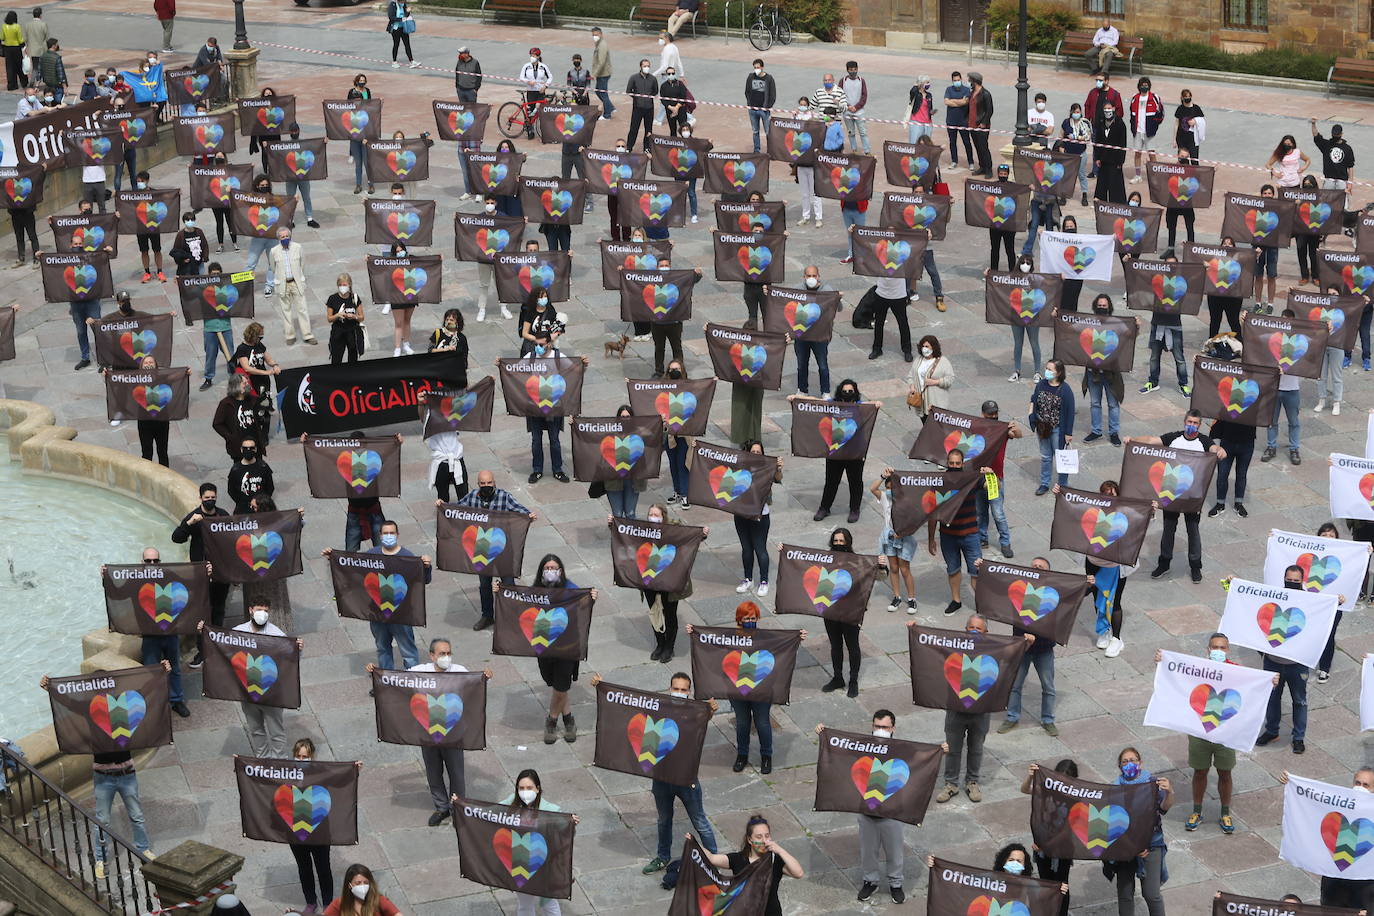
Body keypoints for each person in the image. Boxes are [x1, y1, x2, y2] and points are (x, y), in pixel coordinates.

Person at [591, 670, 718, 877]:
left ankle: (714, 860)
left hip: (686, 778)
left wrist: (711, 711)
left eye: (683, 690)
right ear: (669, 689)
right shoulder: (659, 708)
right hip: (661, 777)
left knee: (699, 821)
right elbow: (628, 704)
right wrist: (602, 688)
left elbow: (705, 719)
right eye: (676, 689)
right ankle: (662, 856)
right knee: (663, 819)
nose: (679, 693)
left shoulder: (695, 711)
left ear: (689, 692)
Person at [40, 667, 165, 877]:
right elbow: (67, 701)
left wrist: (162, 672)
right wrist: (49, 688)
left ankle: (143, 848)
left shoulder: (123, 705)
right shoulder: (90, 708)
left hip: (126, 774)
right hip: (104, 777)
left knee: (136, 816)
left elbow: (145, 691)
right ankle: (100, 858)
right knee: (102, 821)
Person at [932, 615, 1026, 803]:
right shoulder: (954, 646)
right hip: (955, 709)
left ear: (986, 632)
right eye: (970, 627)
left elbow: (1012, 654)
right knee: (953, 749)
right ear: (965, 629)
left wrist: (1027, 643)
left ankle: (972, 782)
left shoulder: (993, 649)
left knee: (976, 748)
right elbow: (931, 647)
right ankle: (951, 784)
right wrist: (914, 630)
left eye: (978, 628)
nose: (973, 631)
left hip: (981, 711)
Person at [686, 601, 787, 773]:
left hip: (762, 689)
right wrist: (694, 632)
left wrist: (798, 636)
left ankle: (766, 756)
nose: (750, 621)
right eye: (746, 618)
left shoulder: (765, 638)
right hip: (737, 688)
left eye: (753, 618)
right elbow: (711, 645)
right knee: (742, 722)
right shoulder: (728, 638)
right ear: (739, 619)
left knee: (762, 722)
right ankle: (742, 755)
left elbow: (784, 643)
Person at [1126, 411, 1225, 583]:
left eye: (1195, 422)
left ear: (1199, 425)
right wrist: (1132, 439)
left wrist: (1220, 450)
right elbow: (1150, 441)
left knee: (1193, 531)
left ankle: (1195, 566)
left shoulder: (1203, 441)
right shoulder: (1174, 438)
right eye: (1189, 421)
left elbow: (1215, 449)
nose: (1192, 425)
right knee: (1168, 529)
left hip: (1193, 496)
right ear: (1184, 421)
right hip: (1171, 493)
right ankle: (1164, 563)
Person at [452, 471, 536, 631]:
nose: (486, 486)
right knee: (484, 584)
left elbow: (519, 510)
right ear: (478, 484)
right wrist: (442, 506)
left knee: (508, 585)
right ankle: (487, 616)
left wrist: (528, 515)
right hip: (482, 550)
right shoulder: (472, 497)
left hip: (503, 549)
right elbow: (456, 509)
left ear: (494, 483)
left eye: (489, 483)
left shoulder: (504, 497)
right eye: (482, 484)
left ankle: (510, 618)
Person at [993, 555, 1067, 734]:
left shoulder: (1054, 591)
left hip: (1044, 649)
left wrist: (1087, 584)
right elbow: (996, 581)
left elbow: (1075, 593)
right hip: (1021, 648)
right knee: (1014, 685)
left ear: (1048, 572)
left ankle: (1048, 720)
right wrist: (982, 568)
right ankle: (1012, 717)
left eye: (1041, 566)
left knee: (1048, 687)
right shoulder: (1019, 588)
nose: (1036, 568)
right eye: (1033, 565)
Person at [495, 770, 582, 915]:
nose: (525, 792)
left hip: (545, 866)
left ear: (538, 788)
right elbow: (488, 812)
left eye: (529, 788)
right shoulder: (510, 803)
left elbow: (565, 835)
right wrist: (461, 805)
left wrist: (571, 823)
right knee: (524, 905)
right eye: (521, 788)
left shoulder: (551, 811)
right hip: (520, 864)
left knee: (549, 904)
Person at [223, 602, 300, 758]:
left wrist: (298, 649)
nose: (263, 613)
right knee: (255, 730)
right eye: (259, 610)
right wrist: (203, 633)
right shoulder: (238, 632)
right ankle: (262, 761)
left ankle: (280, 763)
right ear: (251, 610)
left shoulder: (276, 634)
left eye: (266, 610)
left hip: (271, 694)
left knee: (276, 732)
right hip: (247, 692)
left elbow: (290, 660)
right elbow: (220, 645)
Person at [123, 547, 192, 717]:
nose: (152, 564)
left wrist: (206, 572)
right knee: (151, 671)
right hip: (149, 635)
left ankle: (176, 700)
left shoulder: (169, 575)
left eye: (155, 561)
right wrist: (106, 578)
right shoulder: (134, 580)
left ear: (160, 562)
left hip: (171, 632)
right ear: (142, 562)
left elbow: (190, 585)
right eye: (148, 561)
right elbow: (118, 593)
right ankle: (154, 702)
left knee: (175, 668)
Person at [1250, 563, 1311, 755]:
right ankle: (1271, 731)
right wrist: (1232, 585)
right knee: (1272, 697)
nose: (1291, 583)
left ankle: (1298, 738)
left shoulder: (1311, 602)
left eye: (1296, 581)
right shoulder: (1273, 598)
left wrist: (1340, 601)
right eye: (1289, 580)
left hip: (1297, 664)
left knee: (1299, 701)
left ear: (1302, 581)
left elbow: (1327, 616)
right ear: (1283, 579)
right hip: (1273, 661)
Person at [802, 380, 878, 523]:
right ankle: (824, 508)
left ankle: (854, 509)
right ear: (839, 391)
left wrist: (877, 404)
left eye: (851, 391)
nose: (848, 394)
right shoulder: (832, 403)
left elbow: (872, 405)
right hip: (835, 451)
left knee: (855, 481)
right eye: (845, 391)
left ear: (855, 392)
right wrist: (795, 399)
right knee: (831, 481)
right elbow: (814, 402)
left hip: (855, 452)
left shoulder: (859, 406)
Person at [1110, 746, 1173, 914]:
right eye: (1125, 761)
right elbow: (1112, 824)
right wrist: (1131, 848)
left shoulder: (1152, 784)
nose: (1129, 764)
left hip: (1151, 844)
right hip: (1124, 848)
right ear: (1120, 766)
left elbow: (1163, 808)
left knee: (1152, 895)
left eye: (1133, 760)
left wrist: (1169, 792)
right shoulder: (1114, 789)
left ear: (1140, 763)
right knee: (1124, 895)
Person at [698, 815, 804, 916]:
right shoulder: (738, 859)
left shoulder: (774, 860)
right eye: (759, 837)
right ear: (750, 840)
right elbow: (711, 858)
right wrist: (694, 844)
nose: (764, 841)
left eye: (767, 836)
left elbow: (798, 873)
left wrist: (780, 850)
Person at [174, 484, 232, 666]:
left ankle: (217, 648)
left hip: (221, 574)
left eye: (212, 497)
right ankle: (203, 651)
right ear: (201, 499)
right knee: (201, 614)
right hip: (200, 576)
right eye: (206, 498)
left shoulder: (223, 515)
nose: (210, 500)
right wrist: (189, 524)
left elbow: (233, 539)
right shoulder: (194, 517)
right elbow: (176, 537)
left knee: (218, 611)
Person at [818, 527, 875, 694]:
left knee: (852, 646)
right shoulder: (826, 559)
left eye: (841, 541)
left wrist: (881, 567)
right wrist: (785, 552)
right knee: (835, 645)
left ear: (848, 542)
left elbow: (877, 576)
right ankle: (837, 678)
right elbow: (804, 565)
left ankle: (853, 680)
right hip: (831, 610)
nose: (838, 544)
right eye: (835, 541)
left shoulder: (858, 561)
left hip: (851, 611)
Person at [929, 447, 985, 616]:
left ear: (962, 463)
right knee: (953, 569)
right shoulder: (939, 482)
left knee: (976, 572)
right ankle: (956, 600)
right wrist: (931, 538)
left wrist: (990, 475)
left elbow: (994, 490)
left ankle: (982, 604)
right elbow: (933, 512)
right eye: (951, 463)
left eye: (957, 463)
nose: (954, 466)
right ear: (947, 463)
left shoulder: (971, 479)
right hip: (948, 536)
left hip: (970, 534)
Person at [1020, 759, 1078, 912]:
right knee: (1045, 883)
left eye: (1068, 777)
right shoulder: (1046, 789)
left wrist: (1047, 846)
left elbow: (1068, 830)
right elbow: (1025, 790)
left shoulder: (1076, 799)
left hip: (1062, 851)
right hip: (1041, 850)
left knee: (1061, 885)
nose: (1063, 780)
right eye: (1060, 776)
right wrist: (1031, 776)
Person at [287, 738, 334, 913]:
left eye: (304, 756)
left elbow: (341, 778)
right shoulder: (286, 774)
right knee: (304, 867)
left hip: (319, 831)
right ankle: (311, 902)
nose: (301, 760)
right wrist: (241, 764)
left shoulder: (322, 772)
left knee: (323, 867)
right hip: (296, 832)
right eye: (298, 756)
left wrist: (354, 769)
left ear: (312, 756)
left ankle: (328, 902)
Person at [734, 440, 782, 597]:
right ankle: (748, 579)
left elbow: (778, 478)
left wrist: (778, 467)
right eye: (753, 452)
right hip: (741, 513)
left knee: (760, 548)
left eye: (758, 452)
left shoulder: (767, 467)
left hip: (760, 514)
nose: (756, 454)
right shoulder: (740, 466)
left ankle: (764, 581)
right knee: (746, 549)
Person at [1139, 249, 1190, 395]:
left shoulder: (1181, 282)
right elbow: (1140, 275)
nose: (1171, 267)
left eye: (1174, 265)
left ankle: (1183, 384)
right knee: (1155, 356)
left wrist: (1204, 268)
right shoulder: (1157, 280)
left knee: (1179, 357)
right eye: (1168, 265)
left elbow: (1196, 279)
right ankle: (1152, 381)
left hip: (1175, 324)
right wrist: (1129, 263)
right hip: (1157, 322)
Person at [976, 399, 1023, 557]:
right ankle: (982, 538)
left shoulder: (1002, 429)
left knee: (997, 513)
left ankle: (1005, 542)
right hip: (978, 477)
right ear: (983, 414)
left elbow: (1018, 435)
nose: (994, 416)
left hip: (994, 478)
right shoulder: (977, 429)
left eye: (995, 413)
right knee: (980, 511)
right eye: (990, 414)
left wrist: (1016, 428)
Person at [1082, 293, 1130, 445]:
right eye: (1099, 305)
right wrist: (1057, 316)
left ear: (1109, 307)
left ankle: (1113, 432)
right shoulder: (1088, 322)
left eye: (1104, 305)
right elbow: (1069, 328)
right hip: (1093, 371)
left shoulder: (1116, 323)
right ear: (1095, 306)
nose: (1102, 307)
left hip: (1111, 372)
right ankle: (1096, 431)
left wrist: (1136, 325)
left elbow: (1129, 335)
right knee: (1095, 403)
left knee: (1112, 404)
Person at [872, 468, 919, 618]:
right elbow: (873, 488)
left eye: (893, 488)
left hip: (904, 537)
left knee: (904, 569)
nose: (889, 490)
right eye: (888, 487)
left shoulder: (907, 501)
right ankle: (897, 597)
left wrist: (903, 532)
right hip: (889, 537)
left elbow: (914, 521)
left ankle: (912, 599)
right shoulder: (885, 498)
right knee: (893, 567)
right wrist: (883, 476)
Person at [1263, 309, 1304, 466]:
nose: (1284, 324)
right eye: (1282, 320)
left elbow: (1318, 340)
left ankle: (1294, 448)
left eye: (1287, 321)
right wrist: (1244, 320)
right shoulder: (1273, 339)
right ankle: (1271, 446)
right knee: (1271, 421)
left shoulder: (1298, 341)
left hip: (1292, 388)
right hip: (1274, 388)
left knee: (1294, 421)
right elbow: (1254, 337)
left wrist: (1327, 328)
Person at [1030, 358, 1074, 496]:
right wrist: (1031, 416)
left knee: (1061, 457)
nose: (1047, 371)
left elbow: (1070, 411)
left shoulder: (1065, 389)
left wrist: (1068, 432)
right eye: (1046, 368)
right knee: (1045, 456)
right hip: (1042, 428)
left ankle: (1062, 484)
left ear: (1058, 372)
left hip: (1057, 429)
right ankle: (1044, 483)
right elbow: (1034, 399)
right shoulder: (1041, 384)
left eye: (1050, 369)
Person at [267, 226, 315, 347]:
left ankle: (307, 335)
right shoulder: (274, 251)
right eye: (282, 237)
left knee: (302, 309)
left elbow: (302, 264)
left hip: (296, 283)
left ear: (290, 236)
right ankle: (290, 336)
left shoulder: (298, 247)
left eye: (286, 236)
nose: (285, 238)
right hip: (283, 284)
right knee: (286, 311)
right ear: (279, 238)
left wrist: (300, 277)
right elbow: (273, 267)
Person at [231, 321, 280, 432]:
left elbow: (268, 359)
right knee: (253, 407)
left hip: (263, 382)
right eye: (259, 336)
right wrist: (267, 372)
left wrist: (275, 365)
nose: (261, 339)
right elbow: (247, 368)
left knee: (264, 406)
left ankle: (265, 433)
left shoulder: (259, 345)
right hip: (250, 382)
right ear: (253, 336)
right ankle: (253, 428)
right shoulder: (242, 349)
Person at [602, 404, 647, 518]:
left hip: (633, 481)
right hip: (614, 481)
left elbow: (656, 441)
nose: (625, 419)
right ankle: (616, 536)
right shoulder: (610, 435)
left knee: (630, 513)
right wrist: (574, 424)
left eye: (628, 416)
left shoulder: (639, 434)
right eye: (622, 416)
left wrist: (662, 424)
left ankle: (630, 537)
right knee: (617, 514)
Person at [1208, 414, 1255, 519]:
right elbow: (1218, 415)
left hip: (1247, 442)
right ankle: (1220, 504)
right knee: (1222, 474)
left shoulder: (1253, 402)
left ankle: (1238, 504)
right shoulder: (1227, 401)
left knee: (1241, 474)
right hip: (1227, 442)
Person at [243, 173, 279, 294]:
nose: (264, 187)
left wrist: (294, 199)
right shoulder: (252, 198)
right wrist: (230, 192)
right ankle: (244, 286)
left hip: (272, 237)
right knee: (251, 263)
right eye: (262, 185)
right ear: (257, 186)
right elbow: (240, 199)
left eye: (266, 185)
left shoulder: (273, 198)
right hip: (257, 237)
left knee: (273, 263)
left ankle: (269, 285)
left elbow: (285, 204)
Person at [1318, 284, 1351, 413]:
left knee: (1337, 376)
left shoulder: (1344, 308)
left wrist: (1363, 301)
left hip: (1337, 345)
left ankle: (1337, 402)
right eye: (1329, 294)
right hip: (1322, 346)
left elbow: (1357, 307)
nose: (1332, 296)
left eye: (1334, 294)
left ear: (1339, 296)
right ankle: (1322, 399)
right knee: (1321, 376)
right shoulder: (1322, 308)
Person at [869, 265, 913, 362]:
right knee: (879, 322)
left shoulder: (902, 255)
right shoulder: (881, 254)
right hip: (881, 293)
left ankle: (907, 350)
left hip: (898, 295)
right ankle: (877, 348)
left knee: (903, 323)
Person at [323, 863, 401, 916]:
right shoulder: (339, 904)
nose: (362, 886)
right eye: (358, 883)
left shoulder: (379, 900)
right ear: (349, 885)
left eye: (366, 882)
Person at [1128, 77, 1162, 183]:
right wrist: (1133, 127)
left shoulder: (1155, 98)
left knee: (1152, 154)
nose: (1144, 86)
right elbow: (1131, 114)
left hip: (1149, 132)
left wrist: (1154, 126)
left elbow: (1161, 114)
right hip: (1138, 131)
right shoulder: (1135, 98)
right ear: (1139, 86)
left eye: (1146, 85)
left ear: (1149, 86)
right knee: (1137, 154)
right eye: (1142, 84)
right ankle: (1138, 176)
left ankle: (1154, 176)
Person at [325, 273, 364, 365]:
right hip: (338, 332)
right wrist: (338, 315)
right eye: (340, 285)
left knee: (353, 358)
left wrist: (354, 316)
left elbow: (362, 317)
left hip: (352, 332)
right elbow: (329, 319)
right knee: (336, 358)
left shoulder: (354, 298)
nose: (342, 287)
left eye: (344, 285)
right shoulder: (332, 299)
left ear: (349, 285)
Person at [228, 435, 273, 514]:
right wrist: (242, 502)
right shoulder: (235, 469)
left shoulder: (263, 466)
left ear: (255, 449)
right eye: (245, 448)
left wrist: (262, 502)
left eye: (251, 448)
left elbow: (270, 488)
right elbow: (231, 491)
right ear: (241, 450)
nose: (248, 450)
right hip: (242, 510)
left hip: (261, 509)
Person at [1094, 99, 1127, 203]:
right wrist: (1097, 157)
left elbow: (1122, 144)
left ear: (1113, 109)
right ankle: (1100, 201)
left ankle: (1117, 202)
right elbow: (1097, 141)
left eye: (1109, 108)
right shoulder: (1100, 123)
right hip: (1103, 159)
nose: (1107, 111)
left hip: (1114, 160)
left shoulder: (1120, 124)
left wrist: (1120, 161)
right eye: (1105, 109)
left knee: (1115, 183)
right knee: (1102, 182)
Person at [1060, 102, 1092, 207]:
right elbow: (1061, 135)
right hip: (1068, 154)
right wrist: (1061, 146)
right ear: (1071, 112)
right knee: (1066, 175)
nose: (1076, 113)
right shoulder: (1066, 122)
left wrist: (1077, 137)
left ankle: (1084, 195)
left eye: (1078, 112)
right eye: (1074, 112)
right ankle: (1063, 195)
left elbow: (1088, 137)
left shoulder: (1085, 123)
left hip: (1081, 154)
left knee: (1081, 175)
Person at [1311, 118, 1355, 193]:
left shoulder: (1347, 148)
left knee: (1342, 203)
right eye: (1334, 134)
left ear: (1341, 134)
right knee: (1327, 202)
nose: (1335, 136)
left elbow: (1350, 167)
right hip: (1329, 180)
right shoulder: (1326, 145)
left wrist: (1350, 182)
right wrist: (1313, 124)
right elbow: (1316, 136)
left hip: (1342, 181)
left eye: (1337, 134)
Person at [943, 70, 974, 170]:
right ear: (952, 81)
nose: (957, 82)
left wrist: (954, 101)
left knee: (967, 142)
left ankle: (971, 162)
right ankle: (954, 161)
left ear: (961, 79)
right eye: (954, 80)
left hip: (963, 121)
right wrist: (959, 101)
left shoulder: (966, 90)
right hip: (951, 121)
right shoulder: (948, 89)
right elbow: (946, 102)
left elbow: (966, 102)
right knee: (952, 142)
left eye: (958, 80)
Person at [626, 59, 657, 152]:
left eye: (648, 66)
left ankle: (647, 147)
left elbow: (655, 91)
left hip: (649, 108)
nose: (647, 68)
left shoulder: (653, 79)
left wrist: (648, 98)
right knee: (634, 128)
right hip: (637, 108)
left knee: (648, 129)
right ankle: (629, 147)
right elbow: (628, 91)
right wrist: (637, 98)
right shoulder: (634, 78)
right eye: (645, 66)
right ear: (640, 67)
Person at [839, 60, 870, 155]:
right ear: (847, 70)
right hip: (847, 112)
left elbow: (864, 96)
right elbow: (840, 95)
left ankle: (867, 151)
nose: (853, 71)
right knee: (851, 132)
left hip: (859, 112)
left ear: (857, 69)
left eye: (855, 69)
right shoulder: (843, 81)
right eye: (851, 69)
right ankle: (854, 150)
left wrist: (856, 107)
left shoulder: (861, 81)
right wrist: (848, 107)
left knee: (863, 132)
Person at [745, 58, 775, 154]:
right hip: (752, 109)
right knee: (755, 131)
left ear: (762, 67)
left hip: (764, 110)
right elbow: (747, 91)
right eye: (755, 67)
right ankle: (756, 150)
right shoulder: (750, 77)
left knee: (767, 132)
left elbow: (773, 94)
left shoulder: (769, 79)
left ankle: (770, 151)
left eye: (758, 67)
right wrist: (750, 104)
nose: (756, 69)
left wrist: (767, 107)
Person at [966, 72, 993, 177]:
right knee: (977, 147)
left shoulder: (985, 94)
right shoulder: (972, 93)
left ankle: (988, 168)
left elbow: (989, 110)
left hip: (981, 126)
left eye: (970, 80)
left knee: (983, 147)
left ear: (974, 81)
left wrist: (983, 122)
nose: (969, 83)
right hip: (972, 125)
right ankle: (982, 166)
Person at [170, 212, 208, 278]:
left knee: (200, 282)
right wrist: (182, 261)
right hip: (188, 265)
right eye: (188, 220)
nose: (190, 222)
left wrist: (205, 257)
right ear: (184, 221)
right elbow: (175, 251)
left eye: (192, 220)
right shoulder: (180, 235)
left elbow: (205, 245)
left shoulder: (199, 231)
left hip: (199, 262)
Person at [588, 29, 613, 120]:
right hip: (602, 73)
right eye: (593, 35)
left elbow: (601, 62)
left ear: (601, 34)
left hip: (603, 74)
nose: (595, 37)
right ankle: (610, 107)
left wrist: (594, 74)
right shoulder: (599, 44)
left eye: (596, 34)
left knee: (602, 93)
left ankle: (607, 114)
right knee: (599, 91)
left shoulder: (602, 45)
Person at [385, 0, 417, 69]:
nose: (403, 2)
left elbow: (406, 15)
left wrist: (408, 11)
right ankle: (394, 62)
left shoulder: (404, 4)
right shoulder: (393, 5)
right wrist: (401, 19)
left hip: (403, 27)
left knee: (407, 44)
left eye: (404, 1)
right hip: (395, 29)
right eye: (402, 1)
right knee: (396, 44)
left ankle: (412, 61)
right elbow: (391, 17)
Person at [1175, 89, 1203, 163]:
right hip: (1181, 138)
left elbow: (1202, 121)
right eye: (1185, 97)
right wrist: (1174, 139)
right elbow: (1176, 124)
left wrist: (1196, 121)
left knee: (1194, 160)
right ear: (1182, 98)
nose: (1187, 98)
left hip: (1193, 139)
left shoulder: (1196, 108)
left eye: (1188, 96)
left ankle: (1195, 174)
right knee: (1183, 160)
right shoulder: (1180, 109)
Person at [20, 9, 45, 87]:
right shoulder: (43, 24)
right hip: (41, 49)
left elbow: (25, 38)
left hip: (32, 49)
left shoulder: (28, 25)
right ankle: (38, 82)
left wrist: (26, 47)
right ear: (40, 15)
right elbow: (46, 38)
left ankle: (32, 81)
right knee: (43, 66)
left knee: (35, 67)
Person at [907, 75, 935, 144]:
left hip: (927, 122)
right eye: (927, 82)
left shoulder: (929, 95)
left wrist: (932, 112)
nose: (928, 84)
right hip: (916, 122)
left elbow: (929, 108)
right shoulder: (916, 94)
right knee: (914, 142)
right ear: (921, 83)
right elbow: (912, 91)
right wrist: (917, 85)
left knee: (927, 143)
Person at [2, 12, 25, 92]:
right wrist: (23, 44)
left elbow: (2, 37)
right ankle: (24, 82)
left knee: (9, 67)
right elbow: (20, 39)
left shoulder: (4, 26)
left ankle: (12, 85)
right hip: (16, 48)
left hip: (7, 48)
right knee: (19, 65)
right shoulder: (17, 26)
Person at [37, 37, 64, 103]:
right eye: (57, 44)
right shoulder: (57, 57)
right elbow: (60, 74)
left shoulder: (43, 56)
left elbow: (39, 72)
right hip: (57, 86)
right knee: (57, 103)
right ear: (54, 46)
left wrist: (37, 85)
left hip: (48, 84)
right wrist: (65, 87)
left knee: (49, 103)